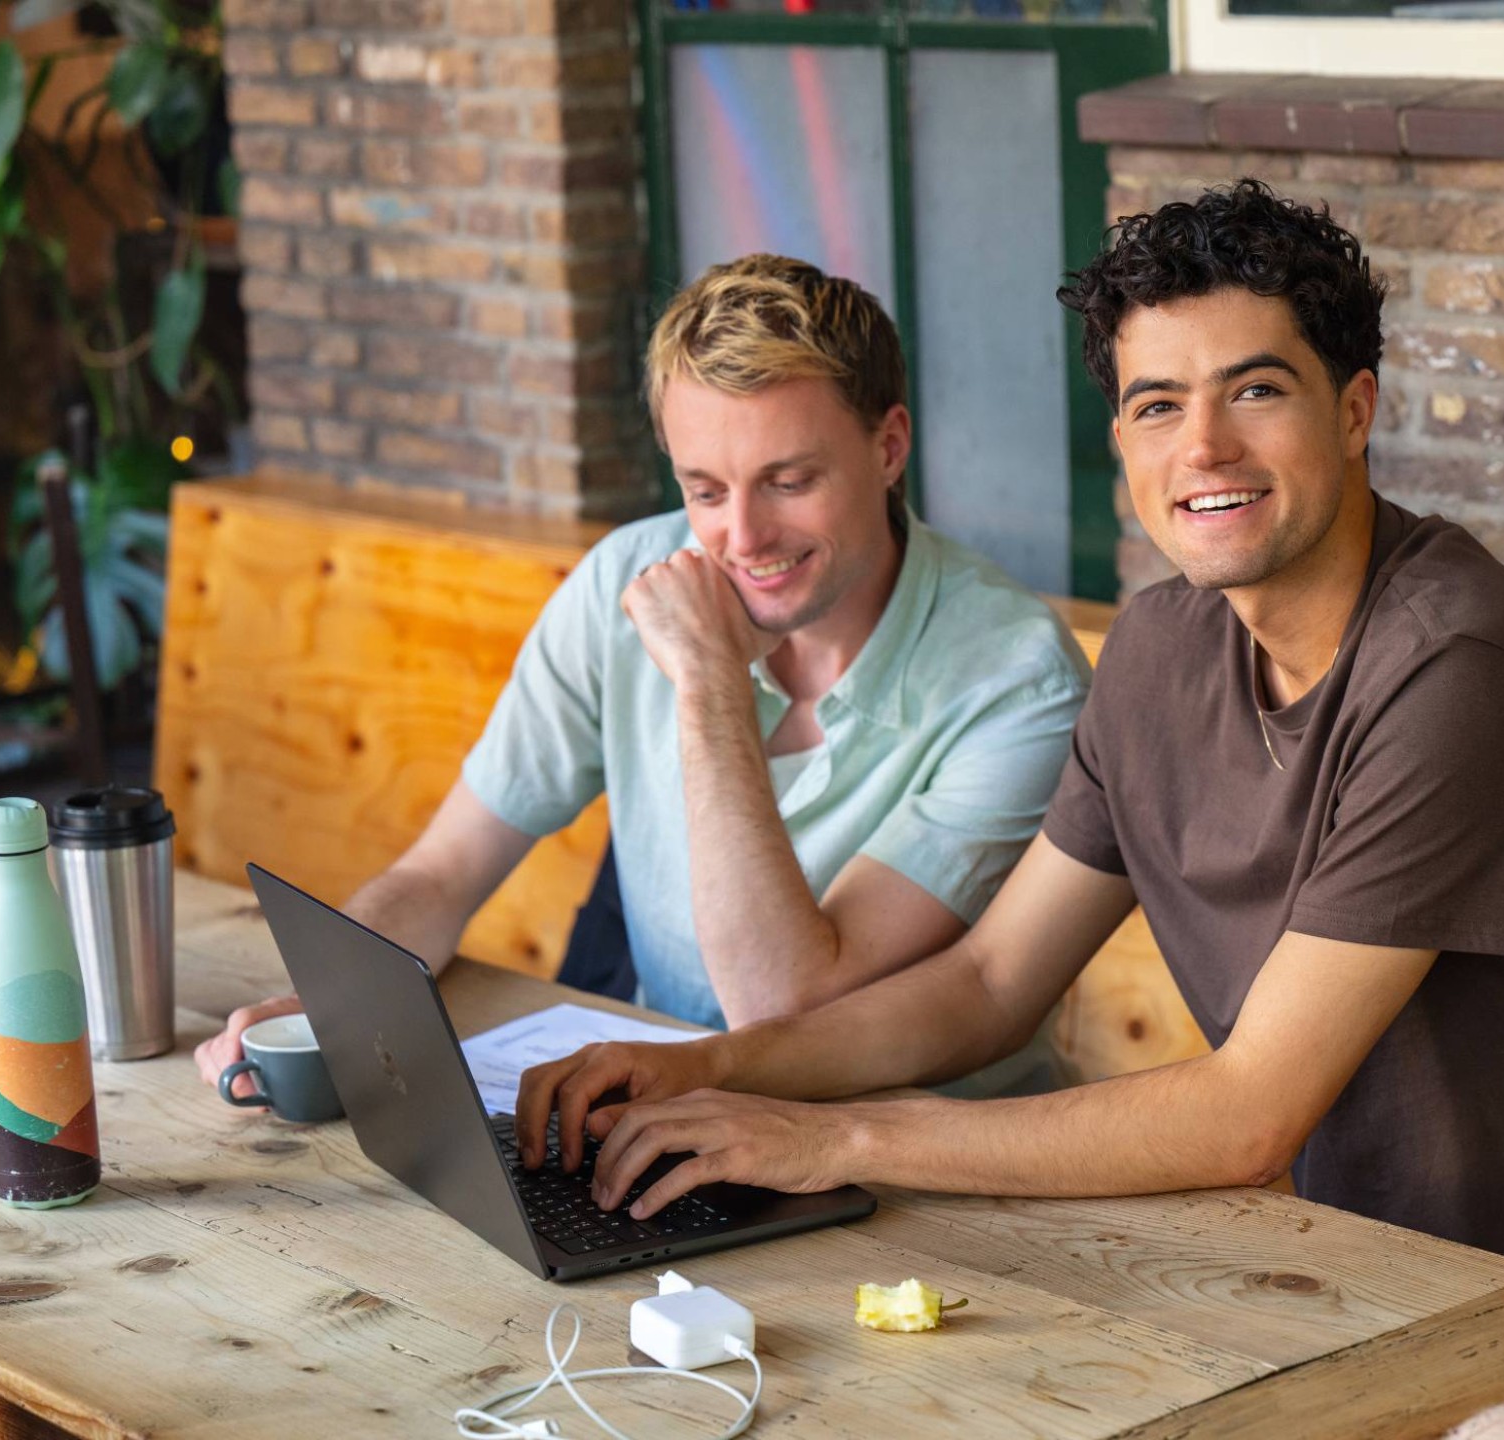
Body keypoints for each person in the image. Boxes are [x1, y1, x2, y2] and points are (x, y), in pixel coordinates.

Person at [513, 183, 1504, 1436]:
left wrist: (833, 1142)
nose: (1201, 449)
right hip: (1338, 1290)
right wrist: (703, 1070)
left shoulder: (1455, 674)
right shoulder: (1164, 646)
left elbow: (1244, 1112)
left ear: (1356, 409)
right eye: (1156, 406)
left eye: (1254, 391)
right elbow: (988, 983)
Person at [196, 253, 1091, 1093]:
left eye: (789, 481)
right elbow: (442, 873)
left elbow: (780, 1007)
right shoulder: (622, 582)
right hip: (677, 1115)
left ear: (889, 447)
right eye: (705, 491)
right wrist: (335, 1004)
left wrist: (709, 682)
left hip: (932, 1170)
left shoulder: (1018, 681)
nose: (742, 539)